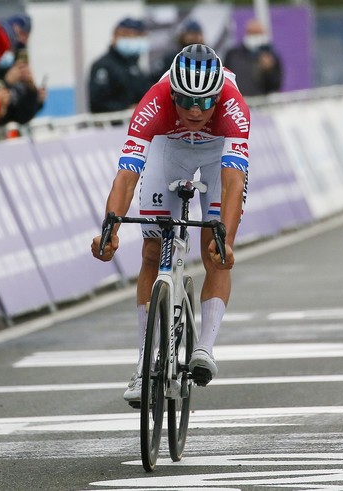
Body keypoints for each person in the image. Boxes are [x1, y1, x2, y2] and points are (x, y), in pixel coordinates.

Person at [90, 44, 250, 402]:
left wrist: (225, 239)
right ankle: (143, 366)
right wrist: (109, 230)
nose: (195, 110)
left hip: (217, 152)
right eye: (186, 101)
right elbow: (127, 176)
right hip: (170, 149)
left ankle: (204, 348)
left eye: (205, 102)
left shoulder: (234, 107)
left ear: (218, 97)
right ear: (171, 93)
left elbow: (232, 182)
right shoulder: (154, 102)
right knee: (151, 251)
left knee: (215, 250)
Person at [88, 17, 154, 114]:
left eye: (139, 36)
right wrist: (126, 109)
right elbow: (97, 103)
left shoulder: (133, 64)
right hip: (110, 126)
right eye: (129, 35)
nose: (135, 40)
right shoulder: (103, 65)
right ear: (116, 36)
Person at [223, 18, 282, 96]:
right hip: (237, 101)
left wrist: (268, 71)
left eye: (259, 34)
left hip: (260, 102)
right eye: (252, 33)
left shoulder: (271, 57)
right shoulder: (233, 55)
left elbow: (275, 86)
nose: (256, 37)